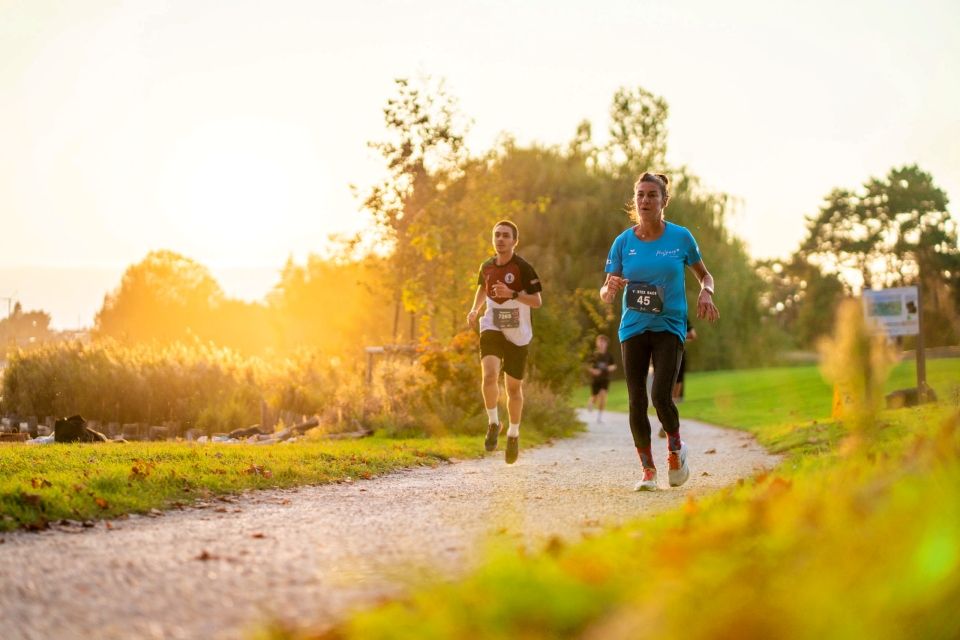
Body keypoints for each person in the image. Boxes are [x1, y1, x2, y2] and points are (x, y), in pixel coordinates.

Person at [600, 172, 719, 491]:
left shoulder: (680, 237)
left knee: (660, 396)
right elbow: (606, 289)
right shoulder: (623, 242)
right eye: (640, 195)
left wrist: (706, 292)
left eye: (652, 195)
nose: (645, 200)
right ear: (634, 201)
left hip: (669, 326)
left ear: (664, 201)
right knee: (636, 400)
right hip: (633, 327)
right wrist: (609, 289)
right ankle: (648, 470)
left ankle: (676, 450)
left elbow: (705, 276)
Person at [467, 220, 543, 464]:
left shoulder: (523, 267)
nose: (500, 239)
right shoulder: (486, 266)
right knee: (489, 375)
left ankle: (513, 433)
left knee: (512, 388)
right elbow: (482, 287)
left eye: (505, 236)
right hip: (492, 324)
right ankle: (493, 422)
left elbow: (537, 301)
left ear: (514, 241)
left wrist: (512, 294)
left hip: (518, 331)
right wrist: (474, 309)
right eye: (497, 235)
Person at [586, 335, 617, 423]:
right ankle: (591, 403)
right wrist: (593, 371)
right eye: (600, 342)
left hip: (605, 379)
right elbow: (588, 366)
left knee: (603, 396)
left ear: (606, 344)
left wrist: (610, 368)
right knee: (594, 397)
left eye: (603, 342)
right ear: (597, 343)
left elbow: (614, 365)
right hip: (595, 379)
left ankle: (600, 417)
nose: (602, 344)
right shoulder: (594, 355)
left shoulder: (609, 355)